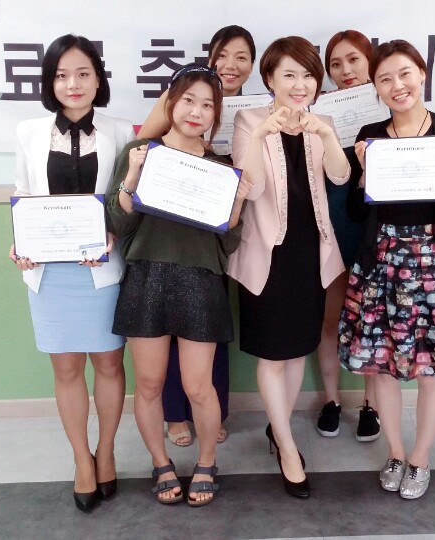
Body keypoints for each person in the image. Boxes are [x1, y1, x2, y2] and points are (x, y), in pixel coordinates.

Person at [339, 39, 435, 500]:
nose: (396, 85)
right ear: (376, 88)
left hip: (433, 260)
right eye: (385, 79)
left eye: (404, 73)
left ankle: (420, 458)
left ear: (421, 73)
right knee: (381, 366)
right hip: (380, 259)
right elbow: (356, 212)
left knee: (431, 367)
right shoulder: (369, 135)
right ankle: (396, 453)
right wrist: (365, 174)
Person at [107, 64, 250, 506]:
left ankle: (207, 462)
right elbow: (118, 225)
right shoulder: (140, 153)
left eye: (207, 105)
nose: (196, 111)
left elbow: (227, 242)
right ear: (171, 102)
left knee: (199, 387)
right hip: (146, 277)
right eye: (188, 100)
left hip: (201, 281)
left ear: (216, 115)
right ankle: (161, 463)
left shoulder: (221, 168)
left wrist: (237, 203)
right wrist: (132, 177)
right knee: (149, 385)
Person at [9, 34, 134, 514]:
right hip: (49, 273)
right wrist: (20, 243)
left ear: (98, 79)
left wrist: (114, 234)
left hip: (102, 271)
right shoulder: (28, 132)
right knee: (65, 370)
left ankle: (107, 451)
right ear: (49, 82)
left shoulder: (121, 131)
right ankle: (82, 459)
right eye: (61, 75)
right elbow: (22, 194)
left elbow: (128, 199)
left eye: (83, 73)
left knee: (109, 365)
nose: (73, 84)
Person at [228, 36, 350, 499]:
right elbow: (252, 187)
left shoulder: (324, 123)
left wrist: (325, 134)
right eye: (289, 75)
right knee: (272, 355)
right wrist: (262, 134)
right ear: (270, 80)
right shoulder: (248, 120)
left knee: (298, 351)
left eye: (308, 75)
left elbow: (340, 175)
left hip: (310, 254)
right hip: (267, 256)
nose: (300, 85)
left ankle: (278, 430)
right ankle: (286, 446)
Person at [137, 25, 257, 448]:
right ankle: (175, 415)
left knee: (208, 338)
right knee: (164, 344)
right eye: (223, 55)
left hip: (209, 239)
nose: (231, 64)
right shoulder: (182, 95)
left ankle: (211, 413)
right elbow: (144, 146)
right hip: (164, 235)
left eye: (242, 57)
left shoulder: (256, 112)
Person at [313, 30, 379, 441]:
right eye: (335, 64)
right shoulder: (319, 113)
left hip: (376, 232)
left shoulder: (390, 108)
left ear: (370, 61)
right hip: (332, 228)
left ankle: (371, 405)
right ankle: (332, 400)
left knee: (372, 321)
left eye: (353, 59)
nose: (345, 70)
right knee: (330, 318)